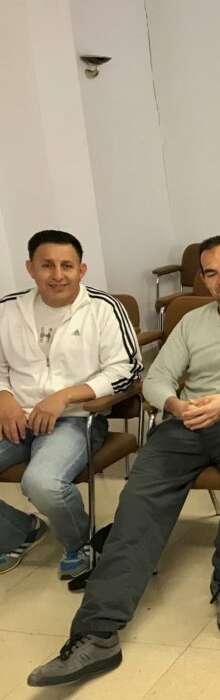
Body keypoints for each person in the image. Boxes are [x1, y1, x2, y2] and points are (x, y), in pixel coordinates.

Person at [27, 236, 220, 687]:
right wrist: (176, 405)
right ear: (203, 279)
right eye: (211, 273)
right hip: (184, 425)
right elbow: (156, 379)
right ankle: (97, 634)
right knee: (137, 502)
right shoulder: (192, 321)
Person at [0, 230, 141, 578]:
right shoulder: (8, 309)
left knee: (42, 482)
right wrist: (4, 397)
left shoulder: (103, 308)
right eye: (47, 265)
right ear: (30, 268)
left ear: (82, 269)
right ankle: (19, 530)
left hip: (76, 419)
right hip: (14, 418)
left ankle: (79, 543)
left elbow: (127, 370)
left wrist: (64, 396)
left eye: (67, 265)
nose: (57, 275)